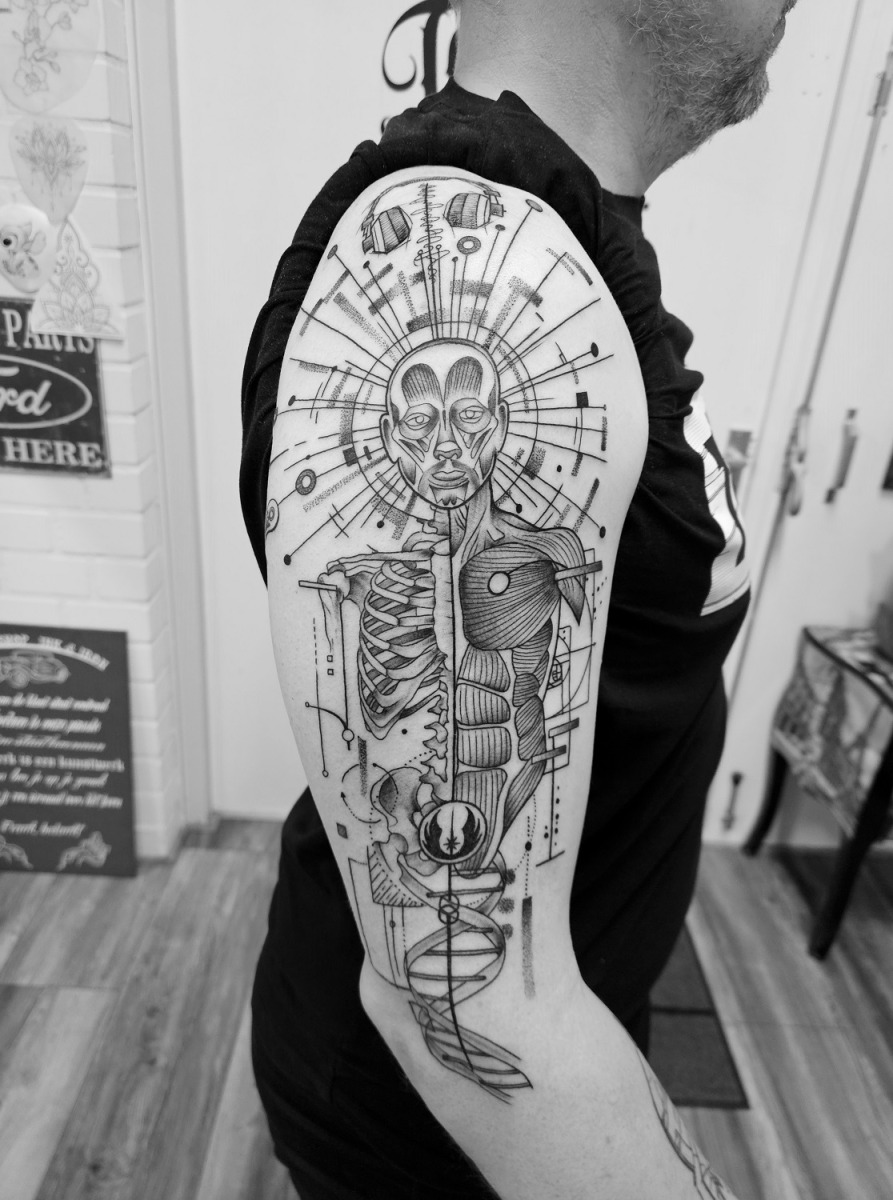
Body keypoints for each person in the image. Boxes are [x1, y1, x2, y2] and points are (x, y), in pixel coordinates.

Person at [240, 1, 797, 1195]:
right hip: (461, 1126)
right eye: (427, 421)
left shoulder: (567, 231)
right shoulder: (488, 265)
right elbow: (454, 996)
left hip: (554, 1038)